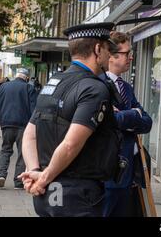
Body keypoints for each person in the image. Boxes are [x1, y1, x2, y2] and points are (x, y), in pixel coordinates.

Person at [18, 22, 122, 217]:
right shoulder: (94, 89)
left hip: (48, 194)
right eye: (108, 49)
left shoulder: (54, 82)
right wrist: (42, 179)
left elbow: (30, 133)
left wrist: (34, 171)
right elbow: (70, 145)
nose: (110, 56)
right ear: (97, 49)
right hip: (76, 195)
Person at [102, 31, 152, 217]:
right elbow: (111, 120)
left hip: (129, 171)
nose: (131, 57)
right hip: (109, 169)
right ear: (112, 56)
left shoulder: (126, 87)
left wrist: (128, 116)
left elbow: (146, 122)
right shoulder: (99, 84)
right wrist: (134, 114)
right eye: (126, 53)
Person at [0, 68, 37, 189]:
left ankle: (1, 175)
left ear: (16, 75)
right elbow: (34, 109)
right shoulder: (29, 88)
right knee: (22, 153)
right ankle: (18, 181)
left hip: (6, 124)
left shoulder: (3, 87)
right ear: (26, 78)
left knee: (5, 150)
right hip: (23, 125)